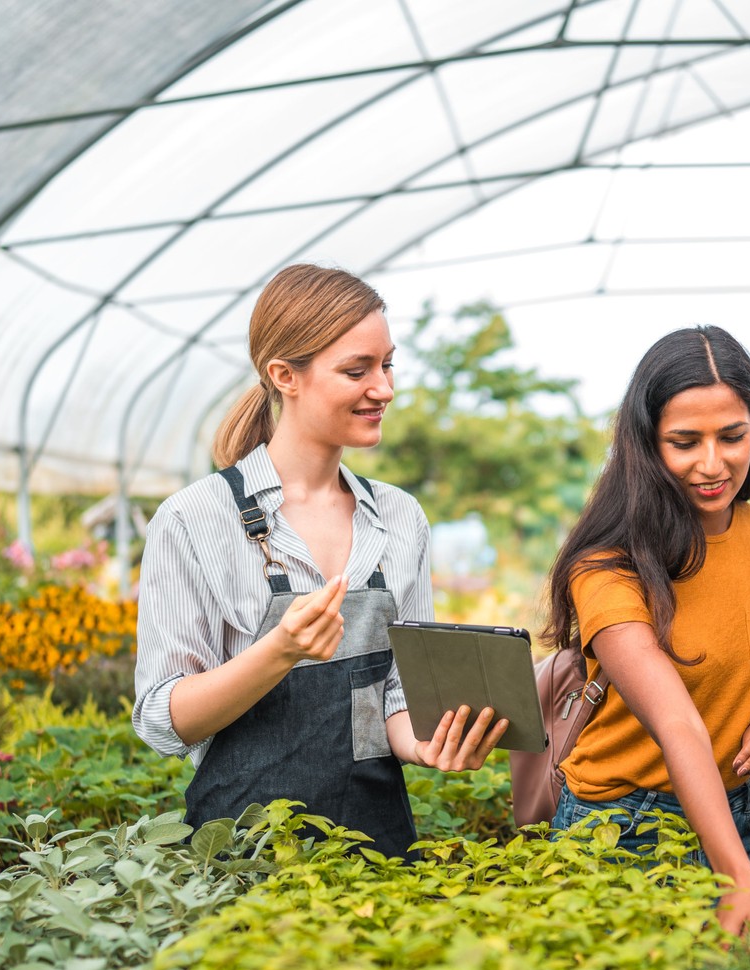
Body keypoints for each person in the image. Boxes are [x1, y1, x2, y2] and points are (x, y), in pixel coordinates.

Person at [132, 264, 506, 857]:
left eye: (387, 365)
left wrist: (428, 744)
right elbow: (162, 720)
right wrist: (278, 652)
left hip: (376, 847)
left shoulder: (400, 519)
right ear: (285, 376)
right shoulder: (194, 519)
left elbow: (391, 702)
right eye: (357, 370)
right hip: (241, 860)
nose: (383, 388)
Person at [544, 326, 750, 934]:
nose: (713, 464)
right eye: (685, 442)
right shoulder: (608, 563)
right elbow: (676, 720)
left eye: (732, 436)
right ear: (646, 446)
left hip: (742, 816)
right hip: (622, 827)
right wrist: (735, 874)